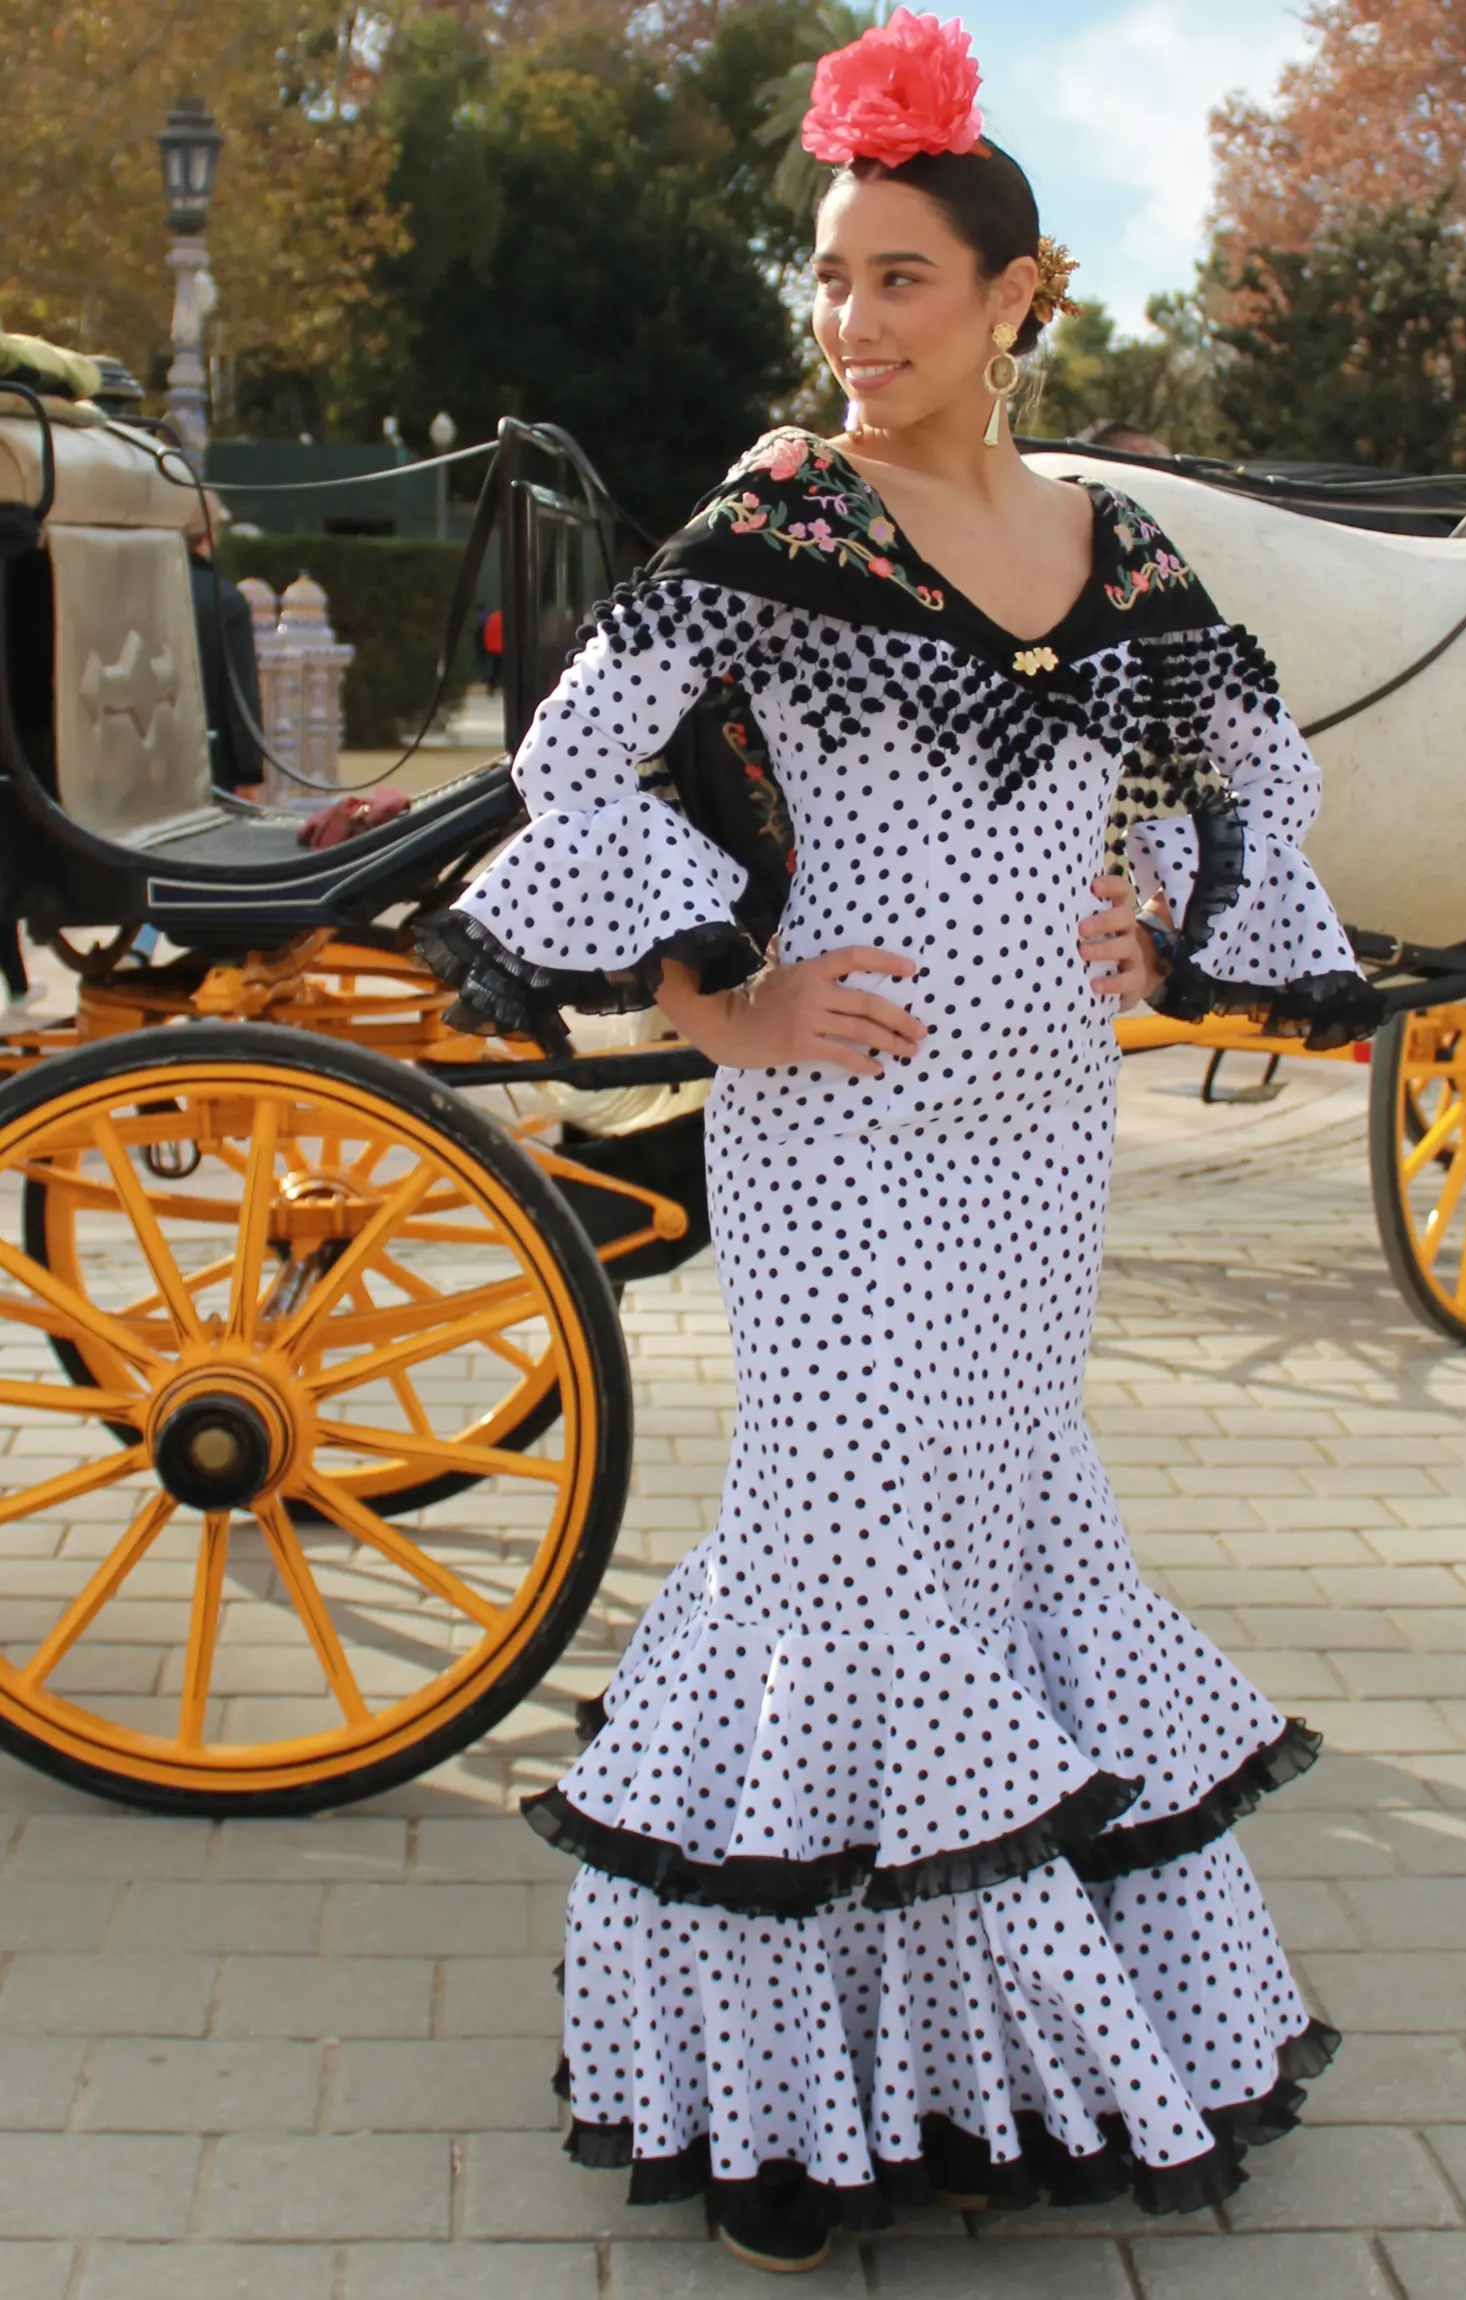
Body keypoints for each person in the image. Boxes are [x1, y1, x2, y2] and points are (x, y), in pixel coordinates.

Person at [421, 10, 1374, 2274]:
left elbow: (1257, 764)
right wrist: (718, 1000)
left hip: (1044, 1134)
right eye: (833, 278)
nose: (853, 322)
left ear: (1016, 293)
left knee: (989, 1540)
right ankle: (783, 2105)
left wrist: (1165, 910)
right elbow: (575, 759)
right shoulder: (782, 513)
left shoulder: (1114, 546)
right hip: (835, 1140)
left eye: (902, 278)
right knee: (845, 1559)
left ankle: (969, 2071)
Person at [185, 491, 266, 799]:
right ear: (209, 532)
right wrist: (249, 772)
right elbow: (240, 696)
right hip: (212, 766)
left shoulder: (136, 593)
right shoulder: (225, 602)